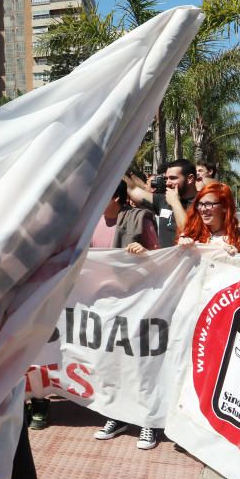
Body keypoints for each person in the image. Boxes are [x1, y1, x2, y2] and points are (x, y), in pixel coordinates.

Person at [78, 182, 159, 446]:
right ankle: (117, 414)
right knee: (110, 361)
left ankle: (148, 421)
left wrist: (143, 254)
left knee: (139, 361)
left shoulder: (139, 219)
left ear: (115, 195)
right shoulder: (90, 222)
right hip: (102, 303)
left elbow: (162, 260)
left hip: (135, 301)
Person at [124, 159, 197, 248]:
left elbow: (188, 231)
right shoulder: (163, 199)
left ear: (190, 179)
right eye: (166, 178)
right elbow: (133, 190)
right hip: (165, 260)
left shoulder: (203, 203)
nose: (168, 183)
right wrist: (119, 169)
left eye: (173, 178)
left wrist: (175, 202)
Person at [177, 183, 240, 256]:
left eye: (209, 204)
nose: (203, 209)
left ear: (225, 207)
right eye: (200, 204)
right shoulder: (190, 234)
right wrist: (181, 246)